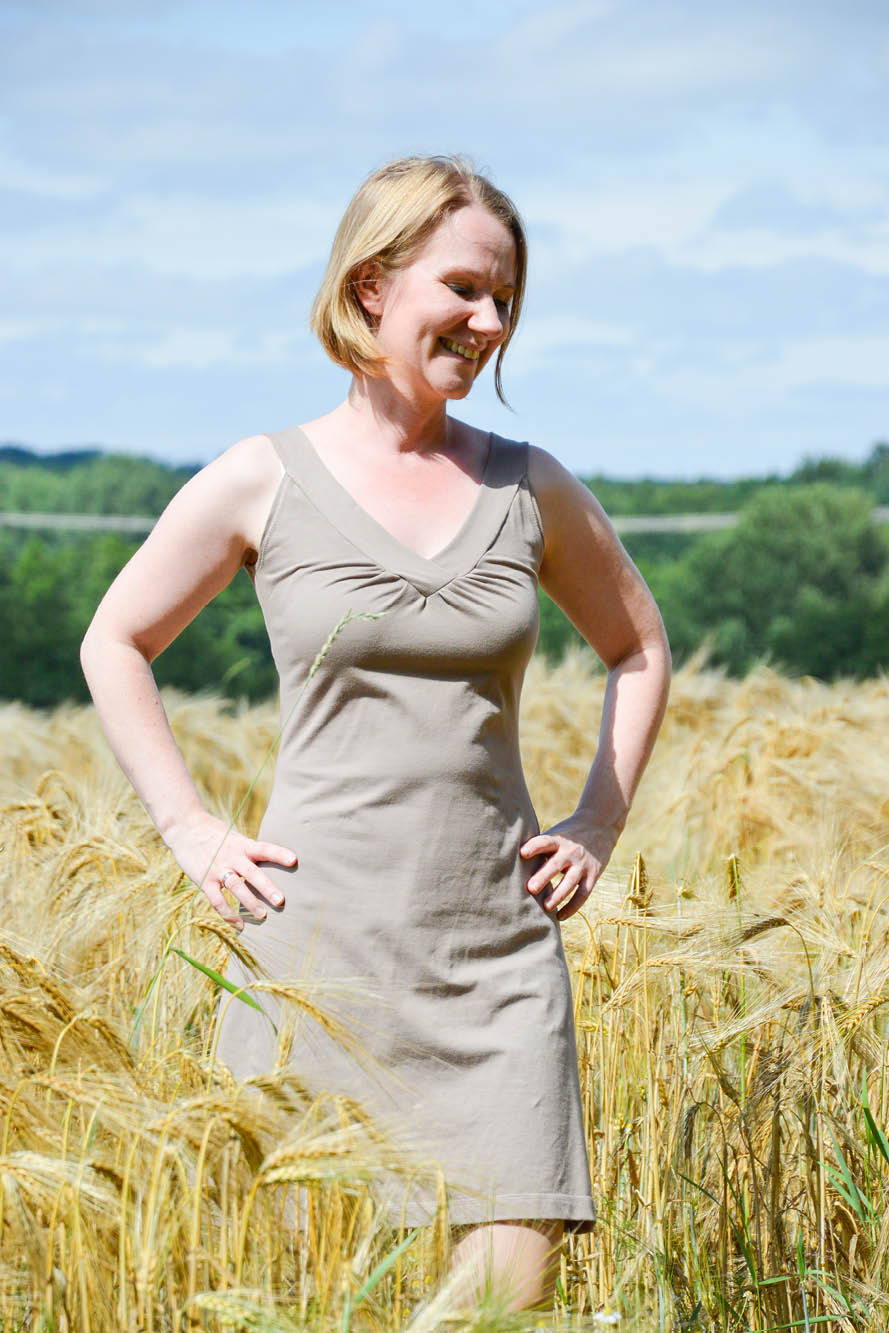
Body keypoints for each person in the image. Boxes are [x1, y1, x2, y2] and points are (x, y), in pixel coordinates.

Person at [80, 154, 671, 1314]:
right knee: (311, 1297)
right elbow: (116, 641)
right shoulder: (263, 478)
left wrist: (598, 816)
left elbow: (639, 647)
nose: (489, 322)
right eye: (463, 288)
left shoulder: (528, 488)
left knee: (501, 1300)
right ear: (369, 285)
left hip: (494, 958)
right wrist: (190, 828)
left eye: (506, 299)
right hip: (315, 956)